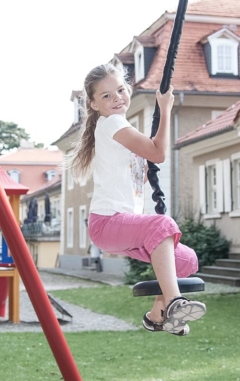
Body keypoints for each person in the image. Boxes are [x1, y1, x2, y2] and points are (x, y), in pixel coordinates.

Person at [69, 63, 206, 336]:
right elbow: (158, 153)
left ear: (128, 89)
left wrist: (142, 173)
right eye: (106, 95)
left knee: (187, 259)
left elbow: (133, 174)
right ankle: (175, 302)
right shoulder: (113, 123)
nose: (117, 98)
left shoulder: (115, 128)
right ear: (93, 104)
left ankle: (157, 316)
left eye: (120, 90)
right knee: (162, 225)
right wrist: (165, 108)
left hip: (121, 226)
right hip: (108, 222)